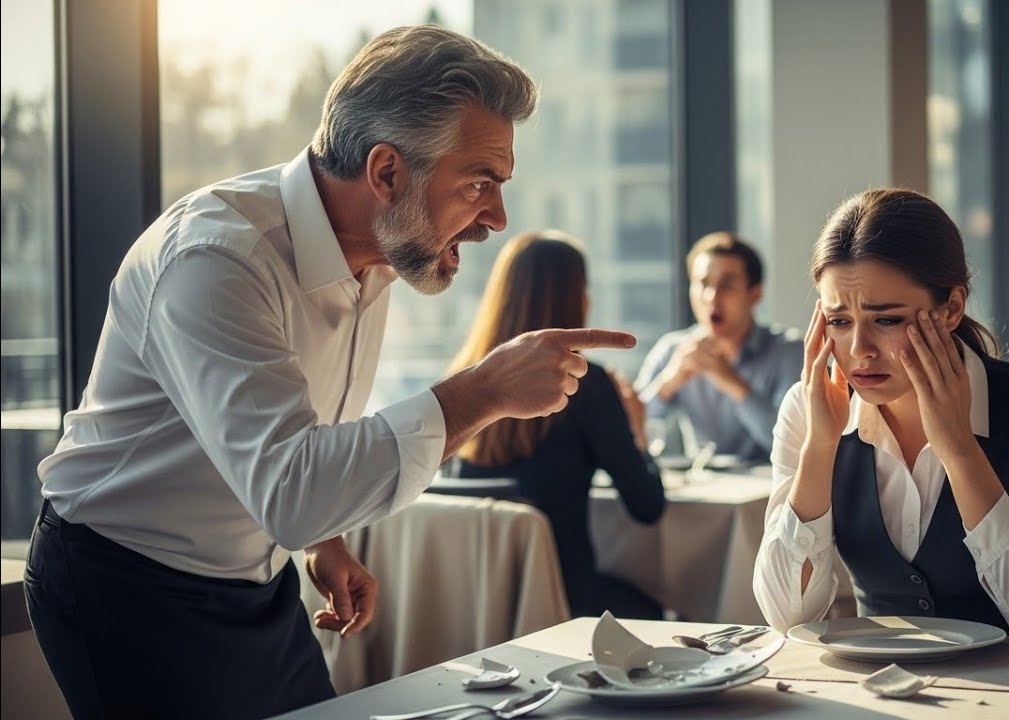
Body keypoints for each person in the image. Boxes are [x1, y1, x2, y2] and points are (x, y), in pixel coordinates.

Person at [25, 26, 637, 719]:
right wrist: (485, 390)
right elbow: (293, 490)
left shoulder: (378, 246)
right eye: (479, 183)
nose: (496, 217)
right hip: (124, 580)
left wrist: (326, 537)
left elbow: (292, 439)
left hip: (256, 575)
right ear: (385, 173)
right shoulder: (216, 260)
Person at [753, 189, 1009, 646]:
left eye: (886, 320)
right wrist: (820, 447)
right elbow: (787, 616)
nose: (859, 351)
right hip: (876, 691)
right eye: (839, 322)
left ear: (951, 308)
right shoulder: (808, 408)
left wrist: (959, 449)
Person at [446, 230, 667, 619]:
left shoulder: (464, 379)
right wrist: (637, 431)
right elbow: (647, 505)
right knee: (667, 610)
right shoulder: (584, 384)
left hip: (475, 608)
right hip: (564, 603)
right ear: (575, 296)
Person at [635, 232, 802, 463]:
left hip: (771, 494)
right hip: (705, 492)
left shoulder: (790, 352)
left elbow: (795, 446)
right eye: (703, 283)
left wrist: (733, 383)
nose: (711, 297)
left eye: (727, 285)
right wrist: (667, 383)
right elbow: (627, 432)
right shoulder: (673, 349)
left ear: (755, 295)